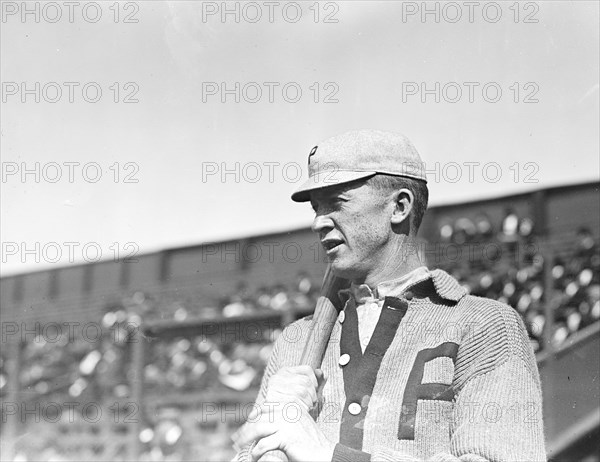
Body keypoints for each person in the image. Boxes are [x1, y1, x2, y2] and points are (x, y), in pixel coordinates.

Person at [233, 129, 546, 461]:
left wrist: (328, 456)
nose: (318, 223)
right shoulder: (295, 341)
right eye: (315, 208)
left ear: (399, 206)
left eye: (336, 203)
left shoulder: (486, 325)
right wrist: (262, 434)